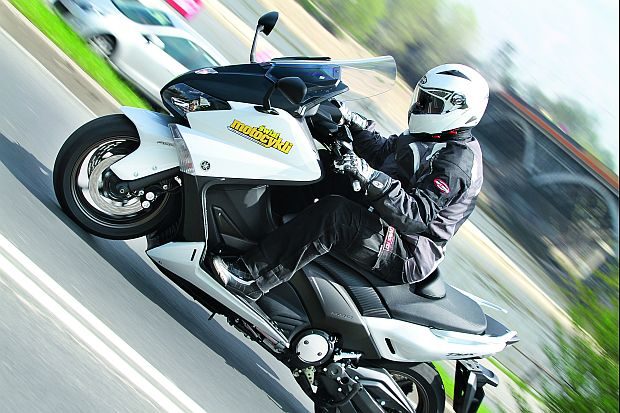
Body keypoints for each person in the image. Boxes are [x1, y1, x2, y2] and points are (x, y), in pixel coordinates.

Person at [212, 63, 489, 301]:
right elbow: (384, 153)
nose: (420, 107)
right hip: (384, 216)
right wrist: (348, 119)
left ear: (457, 109)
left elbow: (415, 216)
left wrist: (369, 176)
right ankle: (243, 230)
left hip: (406, 248)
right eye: (421, 99)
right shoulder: (432, 135)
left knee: (336, 215)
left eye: (430, 103)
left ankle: (252, 278)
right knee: (324, 166)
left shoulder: (456, 163)